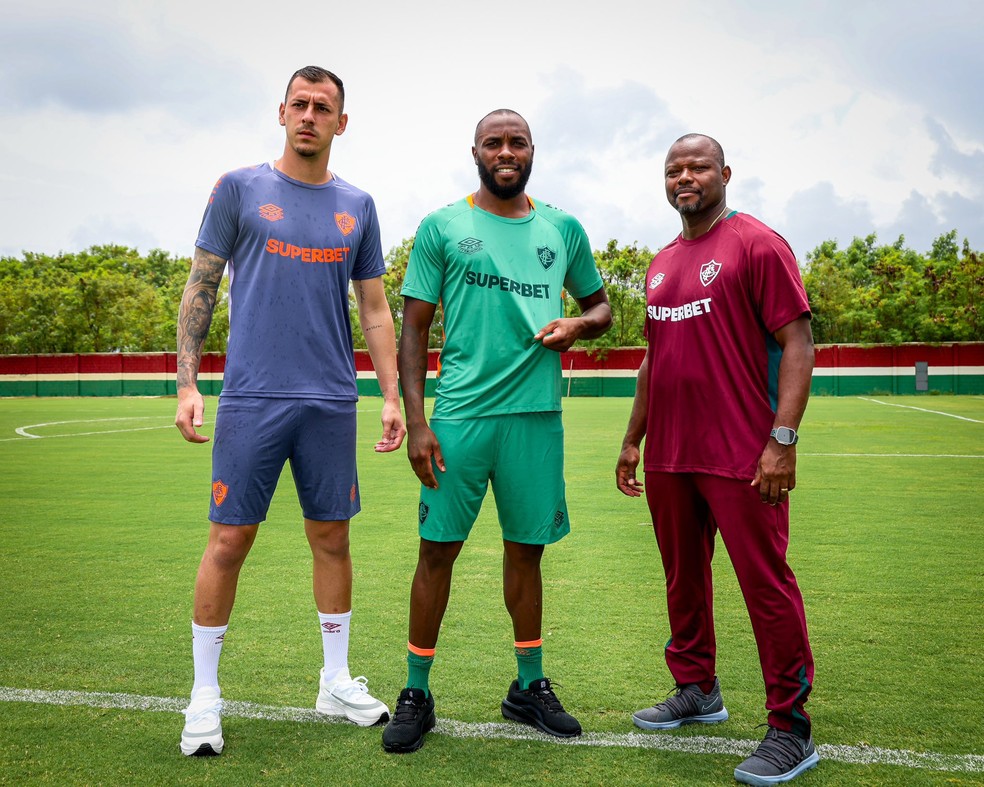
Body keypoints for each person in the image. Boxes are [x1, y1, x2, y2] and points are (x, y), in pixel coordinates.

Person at [174, 65, 405, 757]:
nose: (309, 114)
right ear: (281, 112)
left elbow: (374, 307)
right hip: (251, 396)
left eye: (323, 106)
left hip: (331, 399)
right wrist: (187, 382)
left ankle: (334, 679)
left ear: (341, 122)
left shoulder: (358, 204)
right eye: (299, 103)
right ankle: (205, 696)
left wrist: (390, 395)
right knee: (228, 540)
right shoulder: (239, 188)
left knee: (332, 538)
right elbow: (201, 285)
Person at [381, 109, 612, 753]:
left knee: (525, 551)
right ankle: (417, 691)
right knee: (436, 551)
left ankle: (528, 687)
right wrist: (420, 423)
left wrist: (577, 326)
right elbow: (414, 329)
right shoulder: (442, 227)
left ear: (533, 150)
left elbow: (601, 307)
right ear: (475, 153)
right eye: (494, 143)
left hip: (535, 417)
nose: (505, 151)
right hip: (458, 418)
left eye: (517, 142)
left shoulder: (563, 228)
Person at [616, 133, 818, 785]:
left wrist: (782, 439)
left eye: (698, 166)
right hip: (672, 455)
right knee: (683, 577)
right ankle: (696, 688)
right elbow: (654, 359)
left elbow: (797, 340)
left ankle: (791, 727)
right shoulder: (660, 263)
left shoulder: (757, 243)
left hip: (743, 452)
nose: (685, 176)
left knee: (765, 583)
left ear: (725, 172)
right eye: (673, 168)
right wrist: (632, 438)